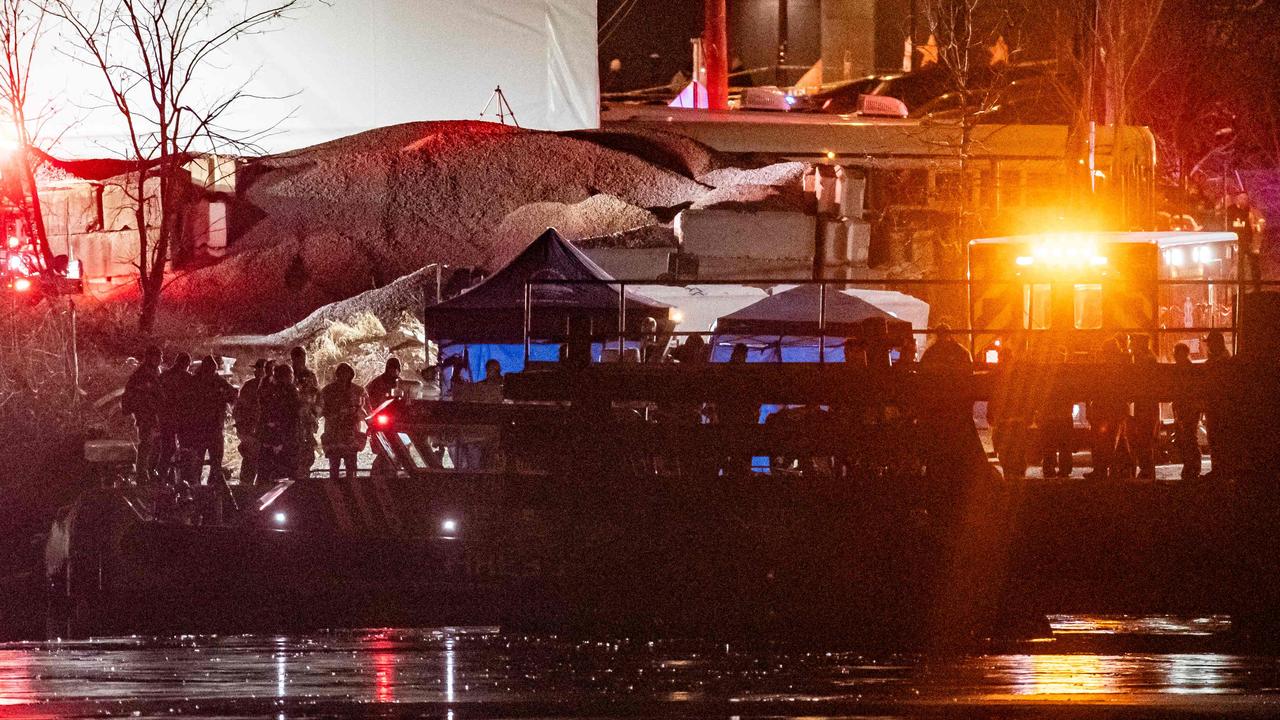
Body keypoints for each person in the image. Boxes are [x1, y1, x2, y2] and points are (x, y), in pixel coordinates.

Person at [183, 355, 238, 488]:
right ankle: (198, 485)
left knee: (213, 460)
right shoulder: (198, 381)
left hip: (210, 427)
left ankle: (209, 484)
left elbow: (233, 393)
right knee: (200, 459)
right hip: (201, 428)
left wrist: (222, 396)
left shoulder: (214, 380)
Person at [1084, 337, 1130, 480]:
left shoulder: (1103, 369)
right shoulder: (1122, 367)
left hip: (1103, 409)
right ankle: (1120, 470)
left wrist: (1090, 407)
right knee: (1118, 440)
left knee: (1101, 441)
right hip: (1116, 409)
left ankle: (1101, 470)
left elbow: (1094, 389)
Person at [320, 363, 369, 480]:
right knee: (334, 467)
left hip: (350, 434)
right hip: (334, 434)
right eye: (341, 373)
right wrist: (336, 414)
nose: (343, 376)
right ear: (337, 374)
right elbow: (322, 410)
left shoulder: (358, 391)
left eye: (346, 373)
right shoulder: (328, 390)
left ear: (351, 374)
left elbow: (365, 410)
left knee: (351, 468)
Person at [122, 346, 164, 482]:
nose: (161, 360)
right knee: (147, 443)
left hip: (152, 413)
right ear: (152, 357)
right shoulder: (143, 374)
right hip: (146, 413)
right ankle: (142, 473)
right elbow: (144, 395)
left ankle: (149, 471)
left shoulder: (152, 372)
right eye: (159, 357)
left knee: (155, 443)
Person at [258, 364, 302, 482]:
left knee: (267, 471)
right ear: (288, 376)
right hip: (284, 435)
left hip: (269, 435)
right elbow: (293, 414)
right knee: (286, 470)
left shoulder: (267, 389)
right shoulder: (289, 391)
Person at [157, 352, 193, 483]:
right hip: (181, 419)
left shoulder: (163, 376)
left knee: (167, 448)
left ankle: (162, 476)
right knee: (185, 448)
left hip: (165, 418)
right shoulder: (188, 378)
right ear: (187, 364)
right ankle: (184, 478)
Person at [1039, 347, 1075, 479]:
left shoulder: (1046, 375)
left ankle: (1049, 468)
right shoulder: (1068, 375)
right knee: (1065, 445)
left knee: (1049, 445)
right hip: (1064, 415)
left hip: (1049, 415)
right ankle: (1065, 469)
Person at [1203, 330, 1234, 480]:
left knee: (1217, 438)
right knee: (1217, 438)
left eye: (1209, 343)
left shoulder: (1220, 363)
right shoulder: (1225, 360)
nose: (1208, 346)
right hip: (1218, 406)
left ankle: (1220, 471)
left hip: (1218, 406)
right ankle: (1220, 470)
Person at [233, 359, 269, 485]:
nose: (257, 372)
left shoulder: (270, 386)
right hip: (251, 431)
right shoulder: (250, 386)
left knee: (261, 464)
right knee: (250, 462)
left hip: (263, 432)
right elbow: (239, 408)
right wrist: (243, 430)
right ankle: (246, 488)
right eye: (257, 369)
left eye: (260, 369)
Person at [1129, 334, 1160, 479]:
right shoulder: (1149, 358)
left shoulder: (1144, 361)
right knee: (1145, 438)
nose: (1130, 346)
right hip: (1147, 404)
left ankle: (1147, 470)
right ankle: (1147, 470)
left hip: (1145, 405)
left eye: (1132, 343)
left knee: (1143, 438)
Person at [366, 357, 402, 476]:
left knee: (400, 451)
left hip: (398, 422)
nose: (394, 371)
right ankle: (377, 475)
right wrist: (372, 413)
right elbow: (367, 397)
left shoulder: (401, 384)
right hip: (381, 421)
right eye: (391, 368)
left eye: (396, 369)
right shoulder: (377, 383)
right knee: (383, 451)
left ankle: (395, 473)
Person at [1171, 342, 1202, 481]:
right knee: (1189, 437)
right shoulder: (1190, 369)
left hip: (1185, 407)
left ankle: (1191, 466)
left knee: (1187, 437)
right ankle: (1192, 467)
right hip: (1188, 407)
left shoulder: (1181, 370)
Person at [290, 346, 320, 478]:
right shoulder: (288, 374)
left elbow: (317, 396)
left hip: (307, 419)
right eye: (297, 358)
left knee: (307, 450)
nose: (300, 361)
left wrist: (315, 414)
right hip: (291, 419)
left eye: (301, 358)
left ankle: (304, 476)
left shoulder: (309, 375)